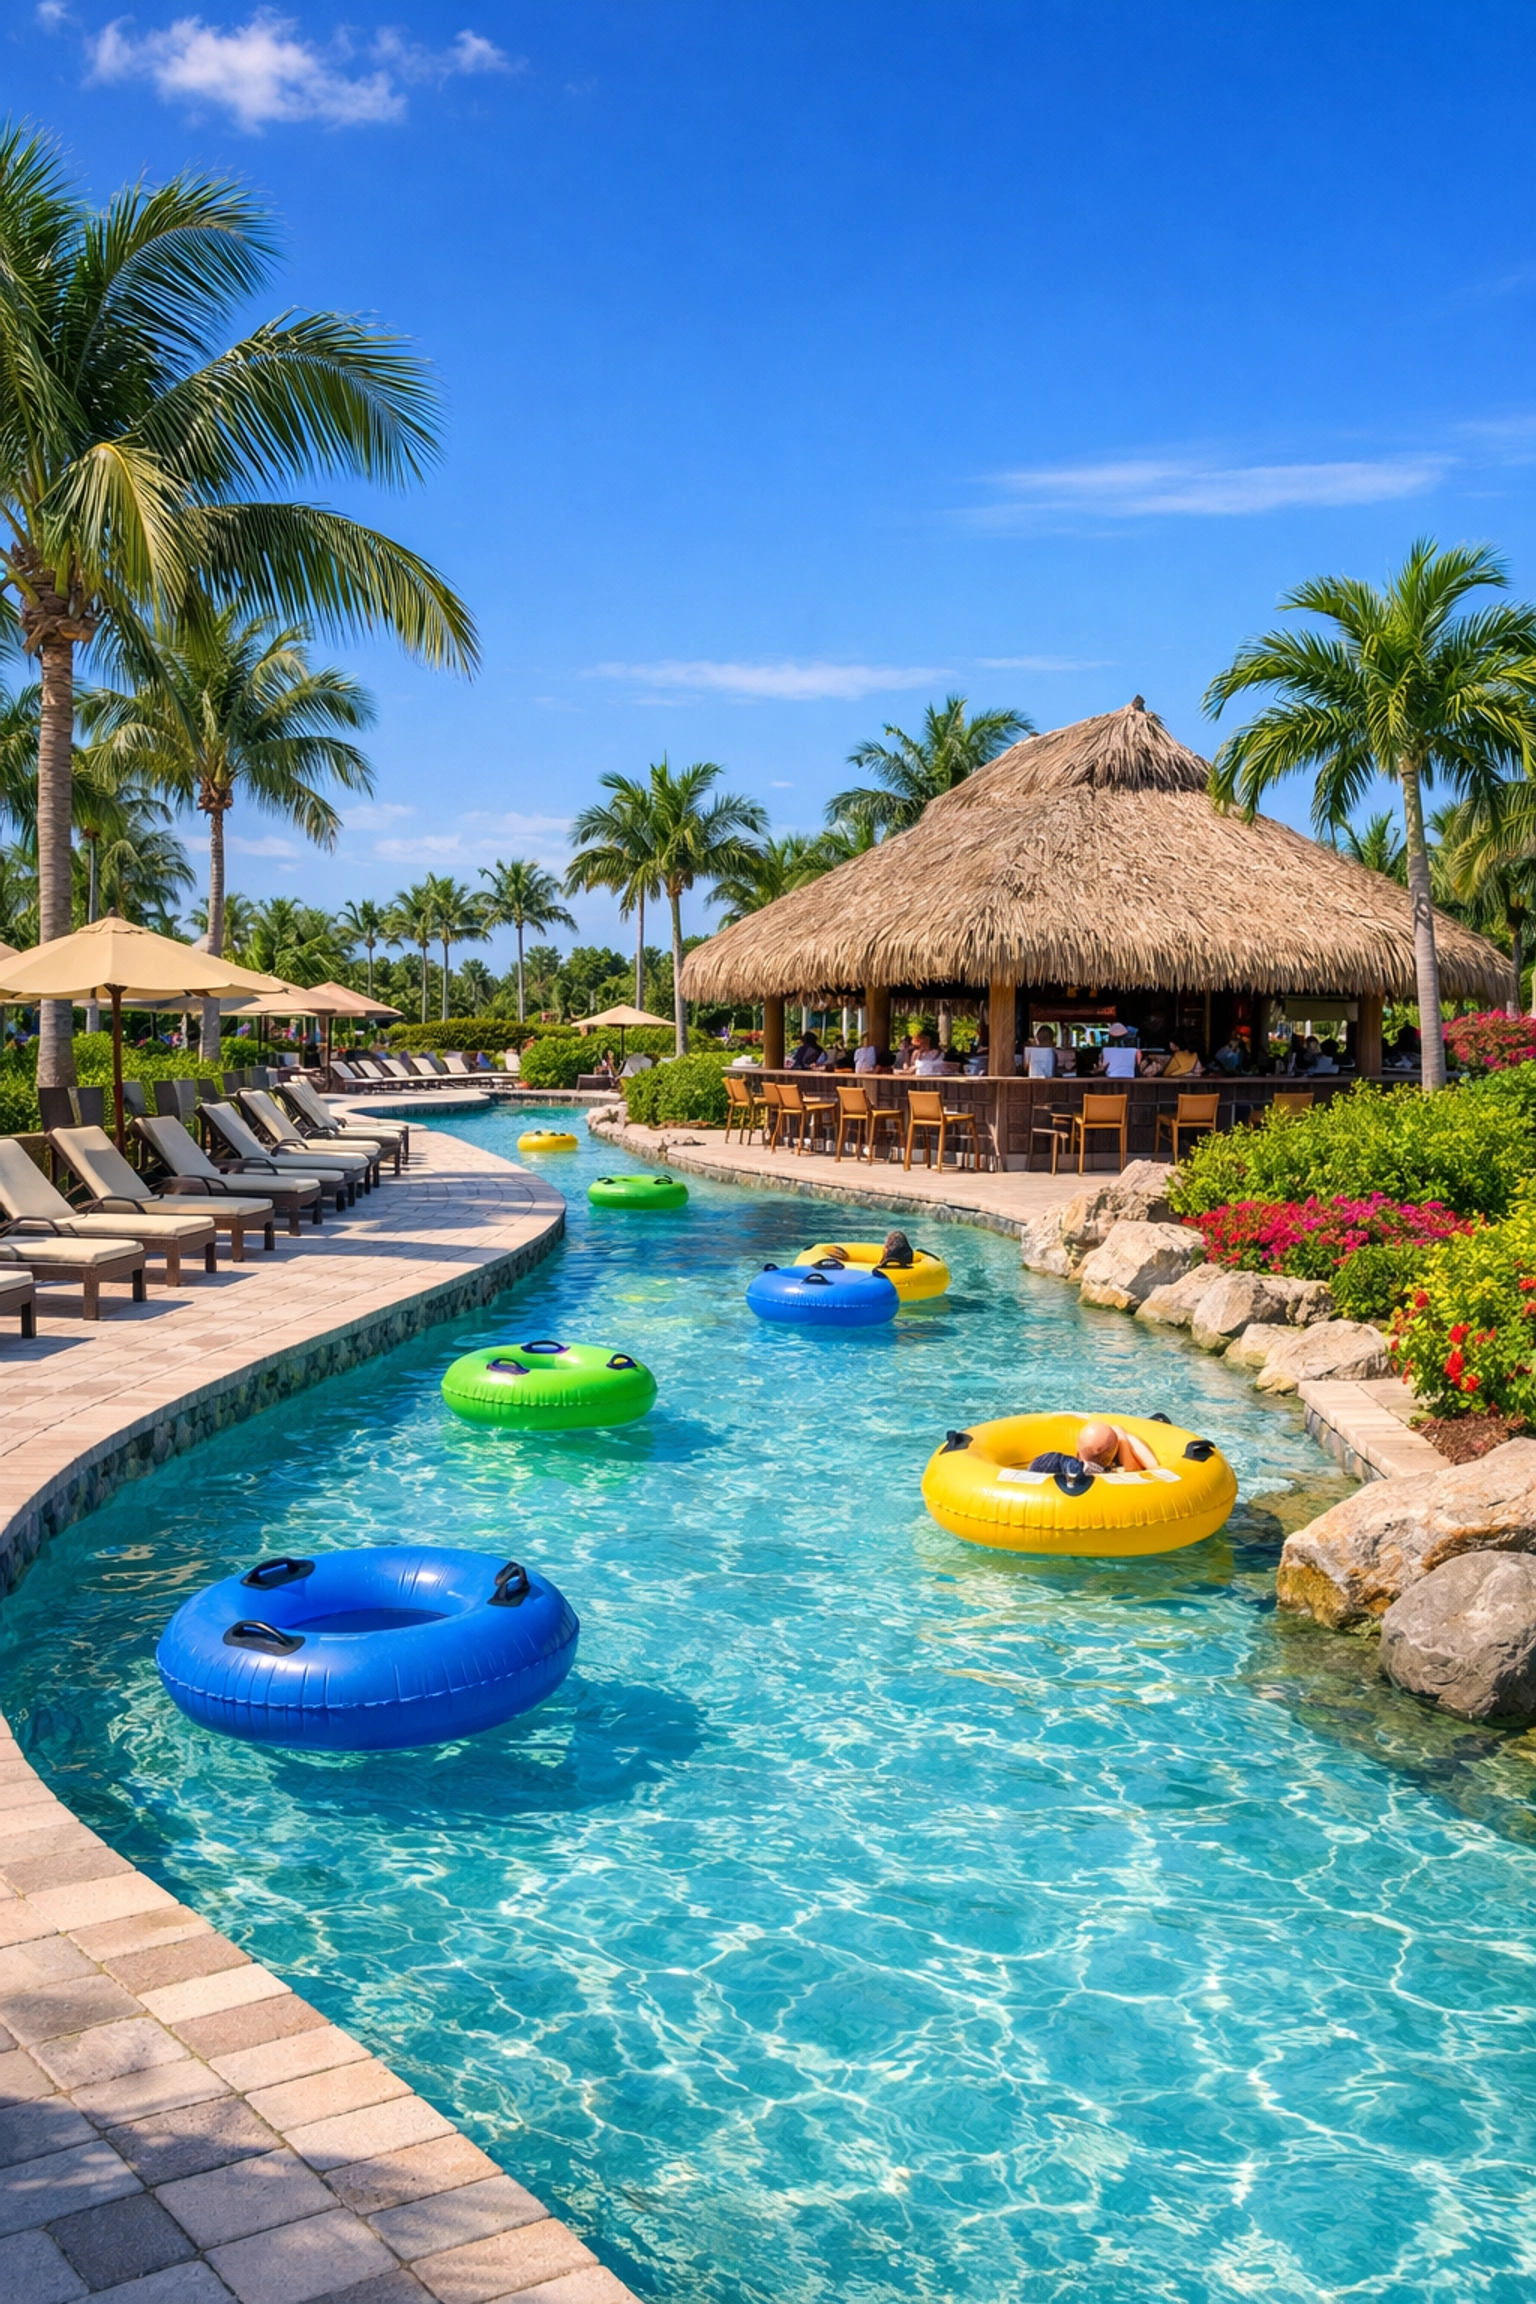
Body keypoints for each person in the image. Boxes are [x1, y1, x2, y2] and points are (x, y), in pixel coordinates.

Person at [1030, 1418, 1160, 1482]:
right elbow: (1141, 1469)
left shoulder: (1056, 1462)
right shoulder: (1111, 1478)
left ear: (1077, 1454)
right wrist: (1123, 1438)